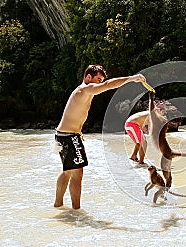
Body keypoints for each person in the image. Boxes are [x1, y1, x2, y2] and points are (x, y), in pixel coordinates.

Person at [54, 64, 146, 209]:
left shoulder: (82, 91)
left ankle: (58, 206)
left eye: (101, 80)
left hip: (64, 135)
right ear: (88, 77)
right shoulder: (84, 89)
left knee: (67, 172)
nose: (100, 83)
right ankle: (76, 212)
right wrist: (131, 79)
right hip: (69, 136)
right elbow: (109, 85)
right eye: (98, 79)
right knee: (77, 174)